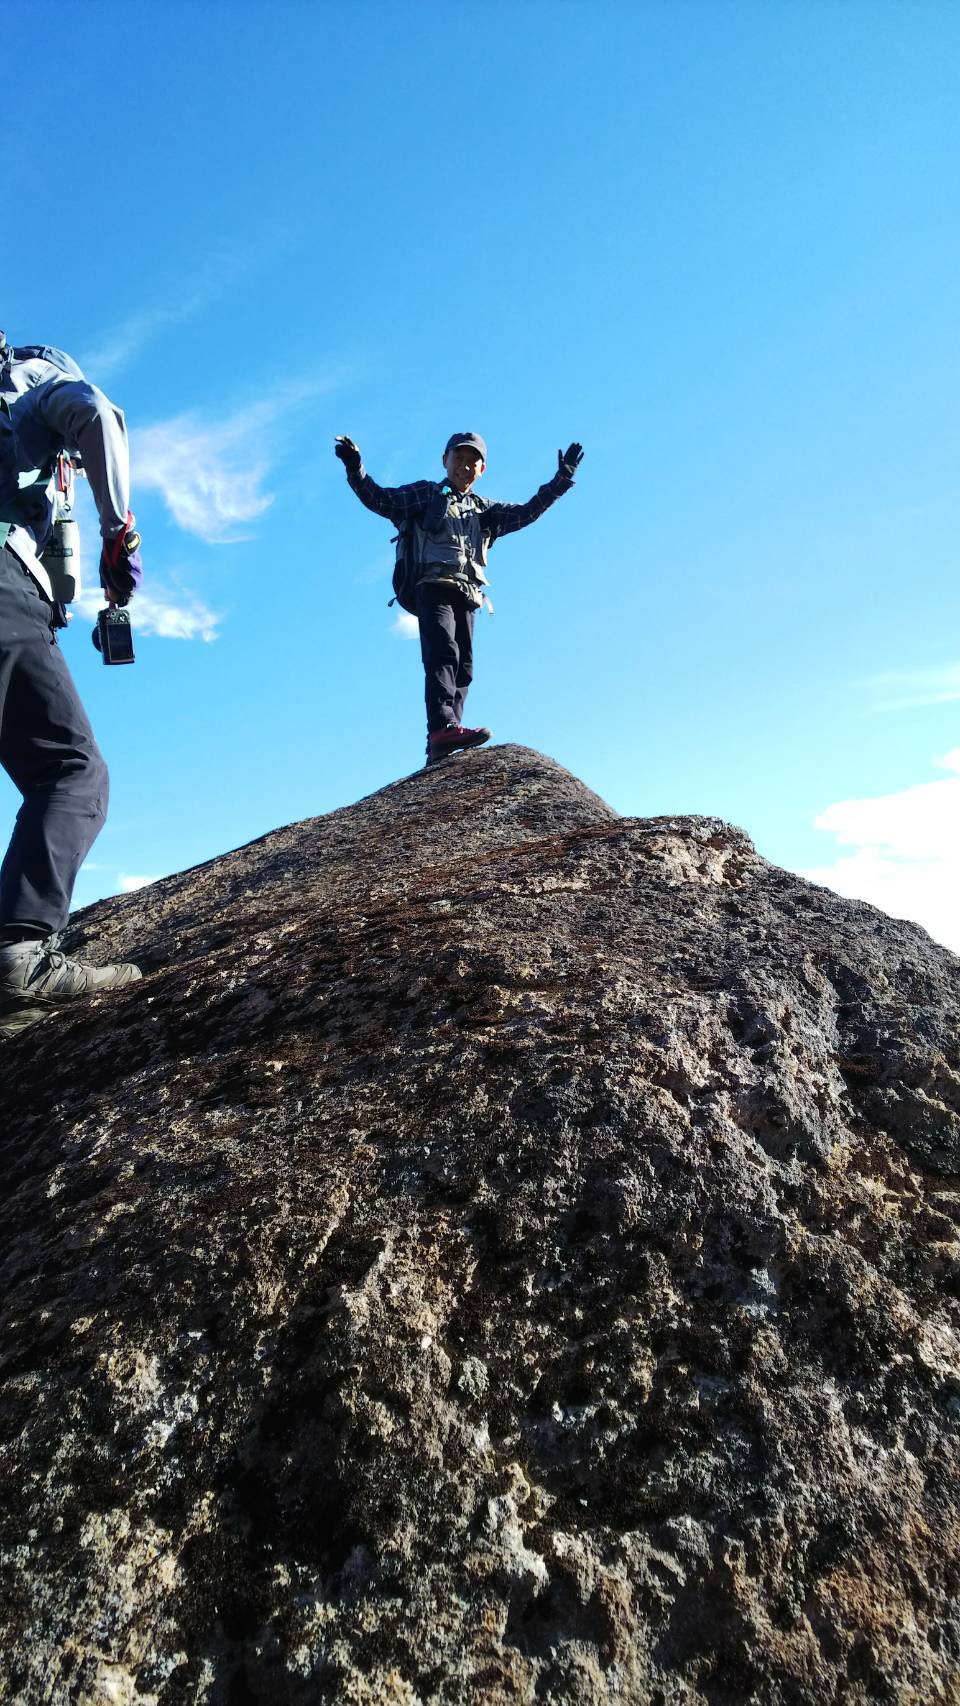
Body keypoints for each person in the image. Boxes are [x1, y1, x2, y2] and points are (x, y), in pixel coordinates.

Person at [0, 331, 143, 1038]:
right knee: (72, 772)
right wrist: (117, 532)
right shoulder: (32, 381)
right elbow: (96, 411)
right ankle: (20, 954)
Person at [335, 430, 583, 764]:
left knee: (464, 666)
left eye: (472, 461)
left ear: (482, 469)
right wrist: (356, 468)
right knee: (443, 653)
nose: (465, 466)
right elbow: (379, 498)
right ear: (445, 461)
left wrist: (561, 480)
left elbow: (527, 512)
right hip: (431, 585)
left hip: (468, 594)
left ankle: (442, 743)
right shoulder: (425, 494)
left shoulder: (485, 509)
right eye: (459, 459)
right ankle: (443, 727)